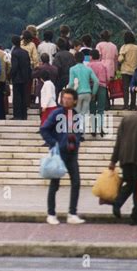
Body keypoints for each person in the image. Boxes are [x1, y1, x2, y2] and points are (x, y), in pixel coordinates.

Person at [40, 88, 85, 225]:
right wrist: (55, 144)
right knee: (55, 184)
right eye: (64, 98)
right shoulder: (56, 113)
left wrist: (76, 141)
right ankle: (51, 214)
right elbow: (44, 129)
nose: (65, 101)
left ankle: (72, 213)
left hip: (72, 154)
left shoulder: (77, 115)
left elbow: (79, 133)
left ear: (75, 101)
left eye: (69, 99)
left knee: (76, 182)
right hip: (59, 155)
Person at [109, 96, 137, 225]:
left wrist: (113, 160)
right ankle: (135, 216)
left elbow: (118, 141)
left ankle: (119, 205)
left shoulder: (126, 119)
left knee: (130, 184)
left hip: (125, 158)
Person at [68, 51, 99, 118]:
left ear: (75, 59)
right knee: (84, 115)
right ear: (83, 59)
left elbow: (71, 83)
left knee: (77, 114)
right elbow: (96, 81)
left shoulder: (72, 69)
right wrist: (93, 93)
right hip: (87, 94)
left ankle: (78, 128)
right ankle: (83, 128)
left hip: (77, 94)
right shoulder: (88, 69)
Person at [87, 49, 108, 136]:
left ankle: (93, 129)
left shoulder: (88, 65)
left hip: (91, 87)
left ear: (91, 56)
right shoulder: (103, 65)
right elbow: (107, 77)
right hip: (102, 87)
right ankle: (101, 128)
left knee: (92, 109)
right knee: (100, 109)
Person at [118, 31, 137, 110]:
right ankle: (133, 105)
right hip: (135, 71)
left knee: (125, 88)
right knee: (133, 88)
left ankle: (125, 105)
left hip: (125, 70)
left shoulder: (124, 47)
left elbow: (120, 59)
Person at [10, 35, 31, 120]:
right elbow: (28, 65)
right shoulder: (25, 52)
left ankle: (17, 115)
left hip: (17, 78)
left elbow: (14, 66)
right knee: (24, 96)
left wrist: (11, 75)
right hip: (25, 77)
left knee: (17, 97)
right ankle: (24, 114)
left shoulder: (14, 53)